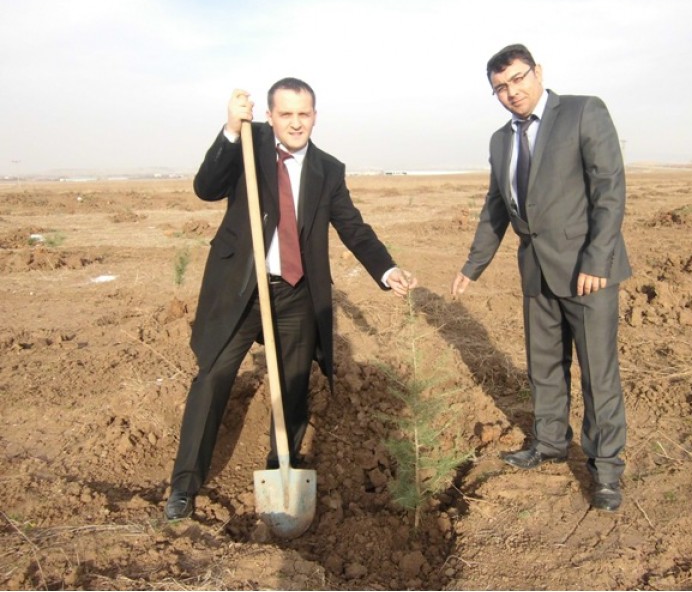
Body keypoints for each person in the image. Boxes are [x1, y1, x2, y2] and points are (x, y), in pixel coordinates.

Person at [165, 78, 417, 520]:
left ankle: (282, 465)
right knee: (213, 376)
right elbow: (206, 187)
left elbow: (353, 228)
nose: (296, 123)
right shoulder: (250, 144)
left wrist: (387, 268)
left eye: (304, 114)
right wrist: (231, 129)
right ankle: (184, 485)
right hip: (242, 288)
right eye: (286, 114)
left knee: (294, 383)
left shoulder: (328, 170)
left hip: (297, 291)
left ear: (315, 116)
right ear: (270, 116)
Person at [451, 44, 631, 512]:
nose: (512, 92)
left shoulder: (582, 112)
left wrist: (598, 260)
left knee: (598, 374)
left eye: (518, 78)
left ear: (538, 72)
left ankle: (605, 469)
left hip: (586, 272)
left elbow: (609, 189)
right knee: (544, 366)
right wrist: (473, 265)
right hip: (536, 270)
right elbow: (496, 207)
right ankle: (550, 442)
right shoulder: (500, 141)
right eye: (500, 87)